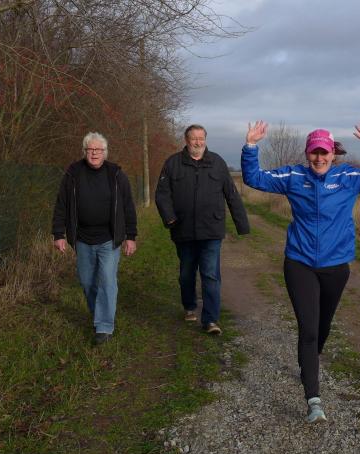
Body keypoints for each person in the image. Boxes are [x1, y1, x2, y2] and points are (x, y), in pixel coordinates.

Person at [241, 120, 360, 423]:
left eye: (324, 152)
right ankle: (313, 399)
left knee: (323, 326)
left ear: (332, 154)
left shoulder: (348, 177)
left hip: (336, 266)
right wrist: (251, 146)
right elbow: (254, 178)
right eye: (314, 152)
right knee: (309, 329)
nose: (319, 158)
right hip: (299, 263)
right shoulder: (293, 176)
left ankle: (310, 358)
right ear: (307, 153)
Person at [155, 124, 250, 335]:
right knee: (187, 273)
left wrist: (242, 224)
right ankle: (189, 306)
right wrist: (170, 218)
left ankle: (211, 320)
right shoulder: (173, 163)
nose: (198, 142)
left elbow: (231, 194)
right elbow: (162, 194)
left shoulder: (217, 163)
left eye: (201, 138)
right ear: (186, 140)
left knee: (210, 274)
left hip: (211, 229)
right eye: (194, 138)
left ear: (205, 140)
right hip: (183, 229)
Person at [52, 132, 138, 345]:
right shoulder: (73, 173)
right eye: (90, 149)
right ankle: (98, 314)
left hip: (109, 238)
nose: (94, 153)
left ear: (105, 152)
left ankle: (104, 326)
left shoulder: (116, 175)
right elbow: (61, 204)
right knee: (87, 281)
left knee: (107, 280)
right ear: (84, 151)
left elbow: (128, 206)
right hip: (82, 238)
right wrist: (58, 233)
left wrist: (131, 236)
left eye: (98, 150)